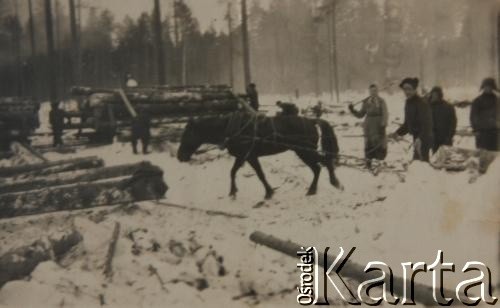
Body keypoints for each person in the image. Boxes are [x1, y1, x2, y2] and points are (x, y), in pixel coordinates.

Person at [391, 77, 433, 162]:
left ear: (414, 90)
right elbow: (407, 124)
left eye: (409, 89)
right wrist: (397, 133)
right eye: (405, 89)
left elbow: (427, 124)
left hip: (425, 137)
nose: (407, 92)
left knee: (421, 163)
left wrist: (420, 138)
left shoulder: (421, 103)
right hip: (416, 137)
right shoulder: (408, 103)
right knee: (418, 163)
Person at [349, 84, 389, 164]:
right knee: (368, 142)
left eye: (375, 91)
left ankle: (379, 160)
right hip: (368, 125)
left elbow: (385, 113)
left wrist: (383, 124)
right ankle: (369, 160)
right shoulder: (366, 102)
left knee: (379, 141)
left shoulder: (381, 101)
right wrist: (353, 110)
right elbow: (361, 114)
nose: (373, 93)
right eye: (371, 91)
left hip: (378, 125)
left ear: (377, 91)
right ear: (369, 92)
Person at [470, 78, 499, 151]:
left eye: (490, 86)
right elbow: (473, 117)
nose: (488, 88)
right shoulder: (477, 101)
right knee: (483, 155)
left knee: (496, 156)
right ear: (483, 87)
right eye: (486, 86)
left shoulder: (497, 100)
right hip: (482, 134)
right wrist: (476, 130)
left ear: (493, 87)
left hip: (496, 133)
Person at [429, 86, 457, 153]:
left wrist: (450, 135)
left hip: (446, 137)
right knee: (435, 158)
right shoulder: (428, 107)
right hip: (434, 138)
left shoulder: (448, 107)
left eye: (436, 94)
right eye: (433, 94)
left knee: (447, 158)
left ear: (440, 95)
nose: (434, 96)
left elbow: (453, 123)